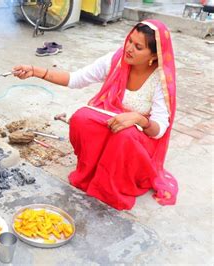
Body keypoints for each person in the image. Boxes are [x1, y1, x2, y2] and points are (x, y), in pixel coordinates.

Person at [12, 20, 178, 210]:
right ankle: (90, 172)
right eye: (130, 41)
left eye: (138, 47)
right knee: (82, 118)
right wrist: (35, 71)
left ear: (154, 56)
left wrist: (139, 119)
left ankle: (110, 185)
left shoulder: (161, 79)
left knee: (125, 134)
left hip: (136, 140)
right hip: (113, 125)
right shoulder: (116, 61)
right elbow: (76, 79)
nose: (129, 48)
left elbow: (158, 130)